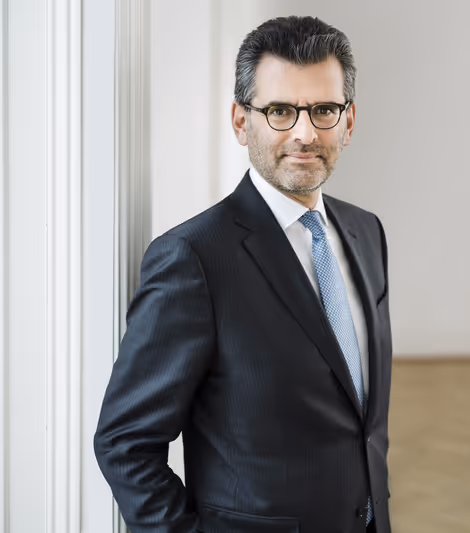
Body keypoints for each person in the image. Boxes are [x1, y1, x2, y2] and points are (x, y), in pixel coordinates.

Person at [94, 16, 392, 533]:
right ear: (240, 121)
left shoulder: (367, 233)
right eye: (279, 111)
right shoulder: (192, 258)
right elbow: (125, 443)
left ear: (348, 121)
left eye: (323, 110)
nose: (304, 132)